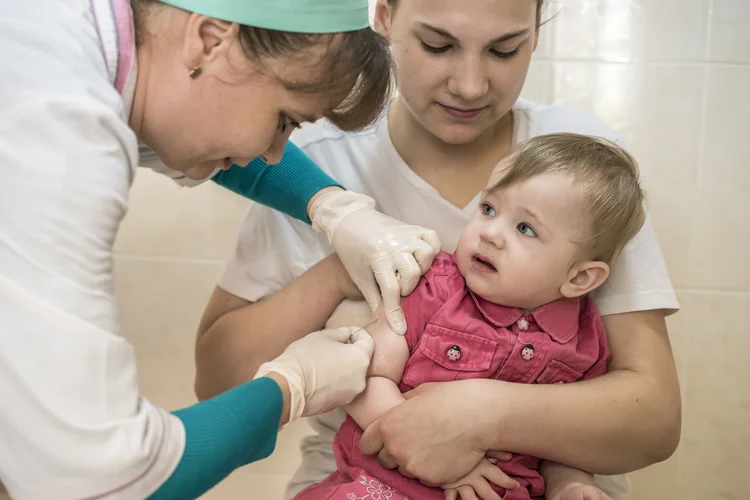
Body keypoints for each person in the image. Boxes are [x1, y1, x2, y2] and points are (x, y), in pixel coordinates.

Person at [195, 0, 682, 499]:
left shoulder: (582, 167)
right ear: (382, 15)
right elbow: (219, 387)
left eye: (504, 49)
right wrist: (341, 269)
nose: (470, 85)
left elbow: (654, 420)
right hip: (369, 476)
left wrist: (478, 416)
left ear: (536, 33)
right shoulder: (308, 163)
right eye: (437, 45)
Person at [0, 0, 441, 498]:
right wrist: (289, 389)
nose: (276, 153)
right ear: (210, 40)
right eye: (284, 121)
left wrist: (333, 206)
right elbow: (95, 478)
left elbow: (215, 137)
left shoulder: (90, 42)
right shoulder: (59, 128)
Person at [295, 133, 644, 500]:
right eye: (489, 209)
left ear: (580, 278)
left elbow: (563, 444)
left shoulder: (583, 343)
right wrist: (427, 448)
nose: (490, 233)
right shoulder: (431, 288)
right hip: (383, 487)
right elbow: (363, 376)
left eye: (525, 229)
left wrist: (571, 485)